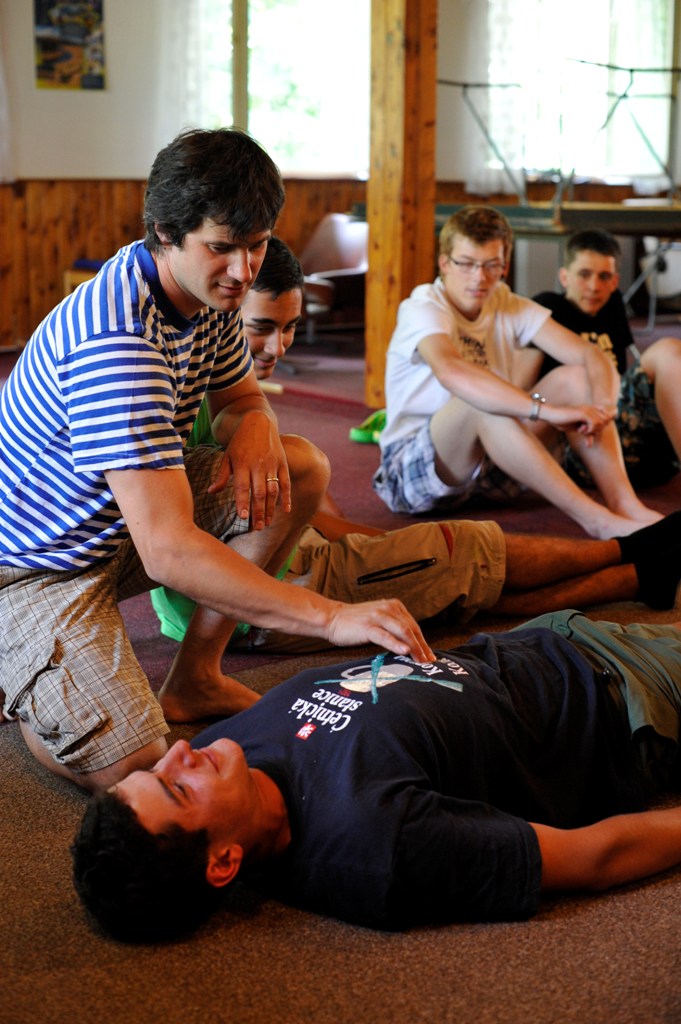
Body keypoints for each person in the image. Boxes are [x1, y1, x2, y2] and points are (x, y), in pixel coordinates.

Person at [0, 128, 433, 794]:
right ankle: (27, 678)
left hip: (121, 525)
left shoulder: (202, 292)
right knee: (137, 767)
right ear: (163, 233)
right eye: (222, 248)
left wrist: (255, 419)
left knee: (300, 466)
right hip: (37, 569)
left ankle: (195, 677)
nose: (243, 269)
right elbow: (169, 553)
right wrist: (330, 617)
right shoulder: (119, 346)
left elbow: (238, 395)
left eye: (256, 244)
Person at [149, 239, 681, 670]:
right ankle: (635, 548)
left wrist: (372, 540)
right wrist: (378, 544)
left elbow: (308, 503)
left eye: (289, 328)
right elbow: (178, 537)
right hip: (254, 599)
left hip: (287, 562)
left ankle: (641, 570)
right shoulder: (187, 399)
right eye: (262, 328)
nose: (279, 347)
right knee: (463, 552)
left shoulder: (233, 391)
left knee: (452, 578)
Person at [73, 605, 681, 942]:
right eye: (177, 788)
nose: (180, 752)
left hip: (542, 638)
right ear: (224, 862)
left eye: (158, 767)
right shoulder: (374, 845)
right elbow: (594, 859)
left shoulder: (221, 752)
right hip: (625, 701)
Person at [373, 205, 662, 540]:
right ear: (445, 263)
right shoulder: (422, 306)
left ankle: (625, 504)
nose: (479, 277)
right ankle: (597, 521)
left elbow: (590, 355)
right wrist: (547, 411)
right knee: (479, 401)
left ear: (504, 266)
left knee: (575, 377)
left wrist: (604, 409)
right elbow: (452, 372)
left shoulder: (507, 303)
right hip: (414, 474)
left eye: (491, 265)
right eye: (466, 263)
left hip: (492, 468)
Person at [534, 228, 681, 489]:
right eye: (584, 274)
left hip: (625, 428)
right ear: (564, 277)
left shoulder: (613, 305)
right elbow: (525, 387)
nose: (594, 286)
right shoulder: (547, 309)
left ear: (615, 281)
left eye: (604, 277)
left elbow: (624, 373)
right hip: (580, 441)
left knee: (669, 350)